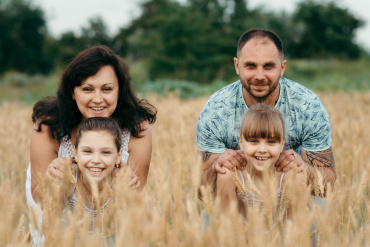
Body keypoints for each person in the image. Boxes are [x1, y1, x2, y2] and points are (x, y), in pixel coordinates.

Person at [26, 45, 157, 246]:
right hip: (54, 210)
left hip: (115, 210)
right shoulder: (48, 126)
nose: (98, 99)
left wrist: (127, 180)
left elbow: (135, 197)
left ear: (119, 91)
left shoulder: (137, 129)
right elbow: (41, 198)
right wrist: (53, 180)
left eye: (107, 89)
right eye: (87, 89)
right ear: (73, 92)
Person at [197, 28, 336, 196]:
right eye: (251, 66)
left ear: (282, 67)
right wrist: (217, 167)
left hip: (296, 195)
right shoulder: (215, 110)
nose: (260, 75)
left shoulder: (308, 107)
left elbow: (327, 187)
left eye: (268, 66)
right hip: (236, 198)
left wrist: (303, 169)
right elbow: (202, 191)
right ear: (237, 66)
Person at [45, 117, 138, 245]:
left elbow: (132, 236)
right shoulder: (66, 181)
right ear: (76, 154)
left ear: (119, 156)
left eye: (106, 152)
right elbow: (51, 234)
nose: (96, 160)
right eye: (87, 151)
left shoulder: (121, 183)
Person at [217, 104, 303, 227]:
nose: (262, 149)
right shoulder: (230, 175)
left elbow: (293, 230)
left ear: (282, 143)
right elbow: (227, 228)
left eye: (271, 142)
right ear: (241, 142)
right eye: (253, 141)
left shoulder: (291, 177)